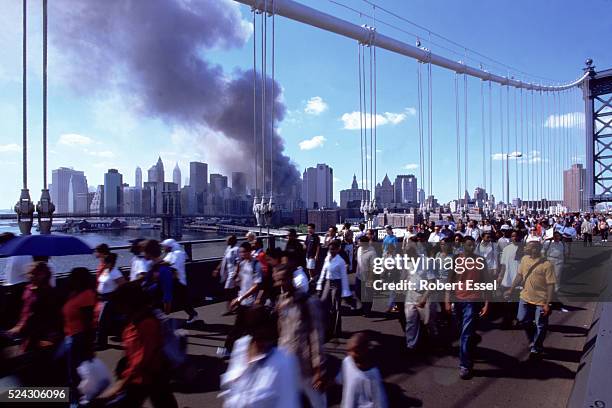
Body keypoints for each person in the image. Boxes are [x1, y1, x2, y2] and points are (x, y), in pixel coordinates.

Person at [98, 282, 178, 407]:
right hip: (140, 378)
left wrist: (122, 383)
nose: (118, 309)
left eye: (120, 305)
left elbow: (142, 358)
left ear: (129, 304)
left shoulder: (147, 324)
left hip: (150, 377)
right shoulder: (133, 321)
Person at [274, 263, 328, 407]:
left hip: (306, 364)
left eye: (284, 279)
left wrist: (318, 369)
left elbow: (316, 335)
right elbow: (281, 333)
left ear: (291, 278)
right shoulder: (281, 301)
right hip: (287, 361)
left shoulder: (307, 302)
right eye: (278, 280)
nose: (281, 283)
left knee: (317, 401)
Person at [445, 236, 489, 379]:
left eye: (473, 245)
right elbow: (450, 280)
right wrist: (446, 299)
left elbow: (486, 282)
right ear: (463, 245)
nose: (471, 247)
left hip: (473, 300)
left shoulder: (480, 261)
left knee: (465, 334)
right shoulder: (456, 259)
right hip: (458, 299)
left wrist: (487, 303)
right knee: (462, 330)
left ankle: (465, 365)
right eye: (468, 245)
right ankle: (472, 340)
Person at [504, 241, 556, 358]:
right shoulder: (524, 259)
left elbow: (550, 285)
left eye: (528, 246)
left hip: (541, 300)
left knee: (540, 325)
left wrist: (548, 303)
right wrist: (511, 290)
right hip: (525, 297)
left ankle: (537, 346)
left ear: (535, 249)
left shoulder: (547, 265)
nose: (525, 248)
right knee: (522, 319)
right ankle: (533, 339)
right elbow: (519, 275)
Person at [59, 267, 96, 403]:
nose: (70, 279)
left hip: (78, 338)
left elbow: (88, 323)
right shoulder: (74, 293)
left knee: (76, 375)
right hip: (70, 336)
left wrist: (89, 347)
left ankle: (78, 401)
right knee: (70, 373)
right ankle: (76, 399)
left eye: (73, 277)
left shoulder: (87, 295)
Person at [6, 262, 62, 352]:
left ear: (44, 275)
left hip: (41, 333)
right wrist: (18, 326)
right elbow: (25, 312)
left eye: (36, 274)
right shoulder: (28, 289)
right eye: (31, 273)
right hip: (27, 331)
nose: (32, 276)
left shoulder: (49, 293)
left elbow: (52, 316)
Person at [219, 242, 262, 357]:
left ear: (249, 251)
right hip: (242, 300)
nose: (241, 254)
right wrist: (236, 280)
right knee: (242, 327)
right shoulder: (242, 264)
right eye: (240, 252)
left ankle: (229, 350)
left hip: (250, 302)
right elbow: (241, 281)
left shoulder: (256, 265)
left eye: (243, 252)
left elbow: (256, 285)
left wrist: (241, 297)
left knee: (242, 327)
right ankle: (234, 349)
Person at [337, 332, 387, 408]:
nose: (351, 354)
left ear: (365, 350)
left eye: (355, 351)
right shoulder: (347, 362)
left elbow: (380, 403)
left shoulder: (372, 375)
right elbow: (341, 379)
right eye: (349, 350)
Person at [316, 240, 350, 339]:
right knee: (324, 305)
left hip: (337, 283)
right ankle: (327, 328)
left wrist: (345, 292)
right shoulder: (327, 257)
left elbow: (344, 277)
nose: (331, 251)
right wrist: (319, 285)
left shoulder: (340, 261)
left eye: (333, 249)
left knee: (336, 308)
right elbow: (323, 271)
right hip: (327, 282)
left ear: (337, 249)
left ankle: (336, 331)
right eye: (330, 249)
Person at [162, 239, 199, 324]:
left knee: (183, 300)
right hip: (171, 280)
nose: (163, 248)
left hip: (178, 281)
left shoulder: (178, 254)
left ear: (169, 246)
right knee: (178, 299)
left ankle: (193, 314)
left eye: (165, 247)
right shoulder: (170, 254)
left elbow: (173, 267)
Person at [96, 252, 126, 349]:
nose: (103, 264)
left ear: (110, 263)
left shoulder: (115, 273)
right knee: (100, 320)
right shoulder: (106, 271)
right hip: (102, 298)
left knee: (102, 321)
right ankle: (100, 341)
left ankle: (101, 343)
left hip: (109, 300)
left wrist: (114, 295)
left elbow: (123, 286)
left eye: (105, 263)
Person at [497, 231, 523, 328]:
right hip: (507, 278)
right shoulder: (506, 249)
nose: (515, 238)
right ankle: (508, 320)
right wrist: (500, 276)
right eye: (513, 236)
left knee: (517, 301)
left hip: (519, 279)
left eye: (516, 236)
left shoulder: (524, 249)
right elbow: (503, 265)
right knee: (507, 301)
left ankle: (516, 319)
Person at [215, 235, 240, 309]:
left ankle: (230, 307)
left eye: (228, 240)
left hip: (233, 272)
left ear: (232, 241)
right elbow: (224, 260)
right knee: (233, 289)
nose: (226, 241)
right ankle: (236, 303)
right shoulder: (228, 248)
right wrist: (217, 269)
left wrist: (236, 272)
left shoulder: (236, 249)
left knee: (228, 289)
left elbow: (238, 262)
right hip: (227, 272)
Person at [356, 235, 376, 316]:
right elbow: (358, 261)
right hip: (359, 275)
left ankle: (367, 310)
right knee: (358, 292)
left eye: (359, 241)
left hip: (368, 276)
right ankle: (362, 306)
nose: (358, 242)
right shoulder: (359, 249)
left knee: (368, 294)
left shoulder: (372, 252)